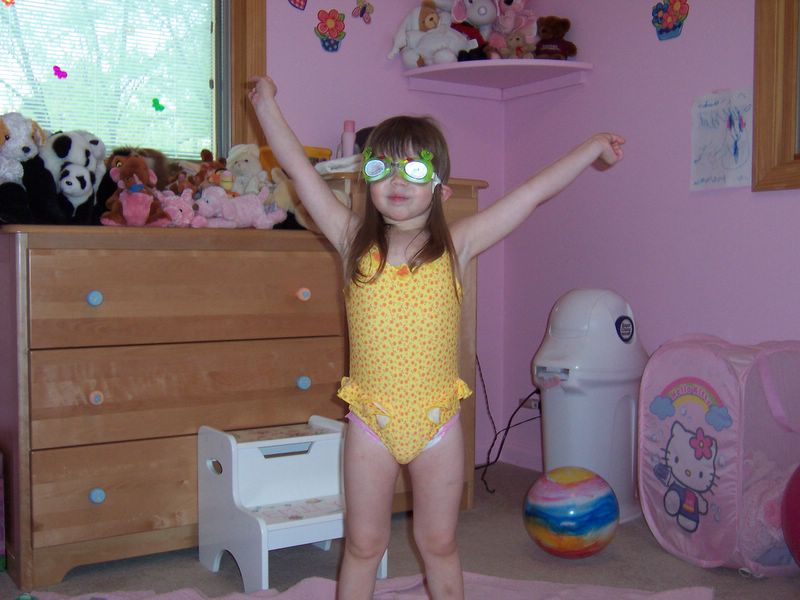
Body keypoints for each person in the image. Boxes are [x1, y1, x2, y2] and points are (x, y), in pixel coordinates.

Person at [248, 74, 624, 600]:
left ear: (440, 187)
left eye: (415, 169)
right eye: (381, 168)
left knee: (439, 543)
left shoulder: (458, 245)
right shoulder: (352, 239)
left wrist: (591, 147)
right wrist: (266, 104)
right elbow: (299, 169)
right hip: (371, 422)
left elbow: (531, 194)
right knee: (363, 544)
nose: (396, 181)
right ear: (365, 181)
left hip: (437, 423)